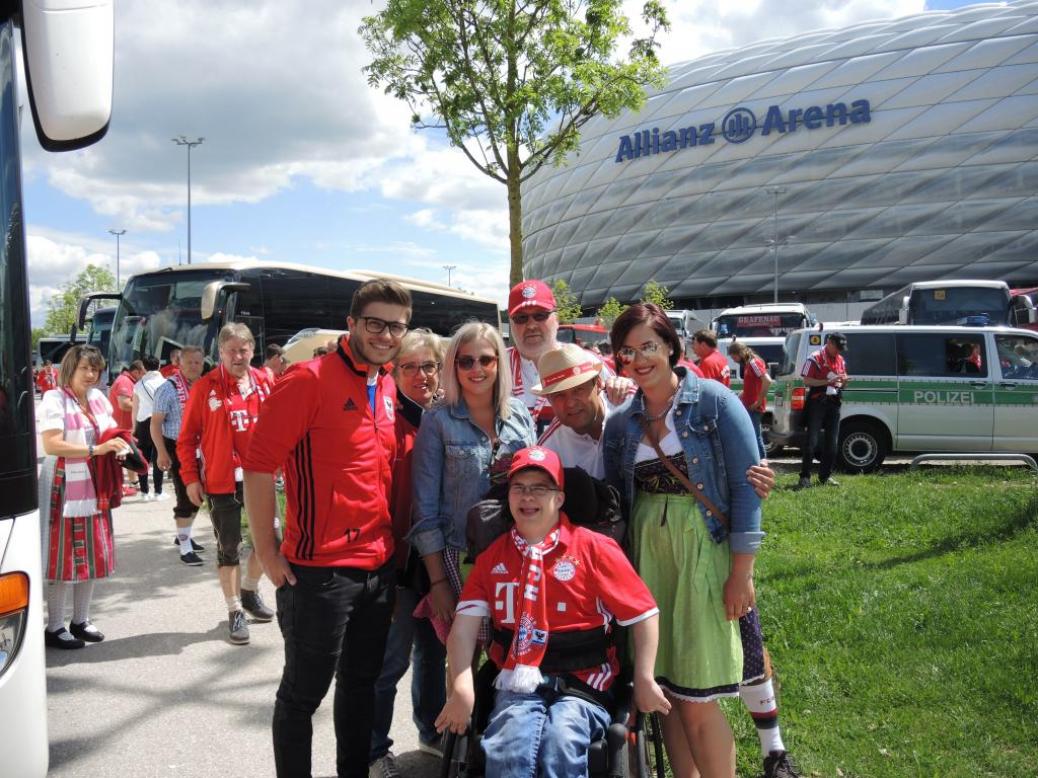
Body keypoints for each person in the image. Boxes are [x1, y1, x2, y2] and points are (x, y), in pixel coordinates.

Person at [537, 344, 799, 778]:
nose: (569, 402)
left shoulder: (632, 405)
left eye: (578, 388)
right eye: (557, 395)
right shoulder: (557, 443)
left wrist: (754, 477)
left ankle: (774, 750)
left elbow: (724, 453)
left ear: (597, 383)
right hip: (635, 560)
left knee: (734, 660)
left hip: (695, 545)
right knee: (666, 685)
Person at [242, 279, 412, 778]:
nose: (385, 334)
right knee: (302, 695)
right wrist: (269, 552)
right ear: (352, 323)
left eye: (395, 326)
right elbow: (257, 467)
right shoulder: (308, 381)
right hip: (319, 575)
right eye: (375, 323)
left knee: (360, 687)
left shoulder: (385, 385)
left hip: (377, 571)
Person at [436, 446, 671, 777]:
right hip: (516, 682)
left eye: (539, 488)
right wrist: (461, 685)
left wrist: (645, 677)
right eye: (519, 487)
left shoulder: (594, 548)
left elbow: (645, 614)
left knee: (561, 740)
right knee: (508, 746)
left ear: (559, 498)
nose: (527, 496)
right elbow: (462, 631)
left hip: (586, 682)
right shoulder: (493, 558)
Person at [603, 303, 763, 778]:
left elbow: (745, 486)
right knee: (667, 694)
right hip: (646, 560)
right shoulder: (620, 424)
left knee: (697, 698)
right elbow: (616, 502)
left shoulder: (714, 401)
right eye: (627, 351)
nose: (638, 359)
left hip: (701, 551)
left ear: (671, 346)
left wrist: (741, 572)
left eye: (648, 346)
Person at [410, 321, 536, 628]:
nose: (476, 368)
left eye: (485, 359)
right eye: (465, 361)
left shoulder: (519, 413)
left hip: (519, 552)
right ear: (453, 366)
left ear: (498, 362)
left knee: (514, 649)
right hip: (461, 557)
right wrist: (438, 582)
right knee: (463, 654)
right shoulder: (438, 420)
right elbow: (424, 507)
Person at [369, 329, 448, 777]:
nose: (421, 375)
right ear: (393, 370)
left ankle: (431, 729)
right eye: (409, 367)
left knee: (432, 651)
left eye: (429, 366)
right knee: (391, 660)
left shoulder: (445, 416)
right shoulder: (384, 420)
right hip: (398, 559)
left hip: (437, 556)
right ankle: (375, 748)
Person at [177, 323, 275, 645]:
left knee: (270, 540)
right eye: (231, 350)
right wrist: (190, 478)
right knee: (228, 547)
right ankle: (234, 609)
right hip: (221, 481)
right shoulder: (206, 387)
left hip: (260, 478)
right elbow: (187, 438)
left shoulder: (265, 381)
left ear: (252, 350)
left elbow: (281, 428)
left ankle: (249, 589)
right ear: (220, 352)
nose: (238, 356)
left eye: (243, 350)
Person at [38, 345, 131, 649]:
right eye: (85, 369)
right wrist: (96, 450)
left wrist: (120, 446)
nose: (91, 375)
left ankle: (80, 620)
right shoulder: (55, 399)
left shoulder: (97, 399)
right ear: (71, 368)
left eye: (96, 369)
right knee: (63, 555)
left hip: (95, 483)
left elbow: (108, 435)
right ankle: (54, 626)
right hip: (64, 485)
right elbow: (52, 446)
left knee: (92, 552)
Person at [151, 345, 207, 566]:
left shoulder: (204, 386)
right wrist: (162, 453)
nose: (194, 366)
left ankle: (184, 536)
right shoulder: (168, 388)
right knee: (186, 497)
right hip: (177, 447)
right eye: (189, 362)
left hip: (202, 448)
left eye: (198, 362)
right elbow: (155, 424)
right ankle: (185, 548)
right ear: (179, 363)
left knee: (197, 496)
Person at [797, 332, 849, 490]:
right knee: (811, 441)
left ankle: (825, 476)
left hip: (834, 402)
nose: (839, 351)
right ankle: (805, 477)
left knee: (832, 443)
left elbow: (842, 383)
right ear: (830, 343)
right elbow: (806, 380)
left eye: (841, 348)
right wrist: (827, 381)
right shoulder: (815, 357)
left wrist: (844, 382)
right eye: (837, 347)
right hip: (817, 403)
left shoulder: (840, 360)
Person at [131, 356, 168, 502]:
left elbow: (135, 408)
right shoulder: (166, 383)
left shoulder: (139, 385)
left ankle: (144, 492)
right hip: (161, 423)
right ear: (159, 365)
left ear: (144, 367)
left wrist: (134, 427)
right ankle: (158, 492)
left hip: (143, 424)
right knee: (160, 456)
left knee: (143, 458)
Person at [728, 341, 773, 460]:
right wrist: (741, 395)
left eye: (734, 357)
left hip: (754, 407)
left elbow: (767, 380)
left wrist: (758, 402)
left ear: (741, 353)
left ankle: (762, 463)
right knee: (752, 435)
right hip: (749, 405)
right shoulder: (749, 364)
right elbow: (752, 384)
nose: (734, 360)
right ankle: (756, 461)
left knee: (755, 436)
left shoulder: (753, 363)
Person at [109, 360, 144, 495]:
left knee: (128, 454)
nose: (144, 377)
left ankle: (133, 483)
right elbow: (124, 404)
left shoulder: (128, 380)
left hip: (124, 425)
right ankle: (126, 484)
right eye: (143, 374)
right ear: (136, 372)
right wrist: (145, 406)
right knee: (126, 454)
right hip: (122, 426)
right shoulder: (125, 382)